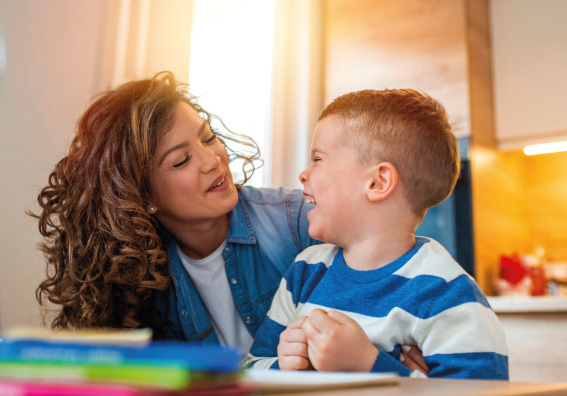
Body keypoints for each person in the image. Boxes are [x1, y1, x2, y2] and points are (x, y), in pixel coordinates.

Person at [30, 71, 318, 355]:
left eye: (208, 138)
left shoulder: (297, 222)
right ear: (142, 197)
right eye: (181, 161)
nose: (212, 160)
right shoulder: (141, 279)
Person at [246, 89, 509, 379]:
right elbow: (251, 369)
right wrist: (286, 366)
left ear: (377, 182)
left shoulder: (445, 292)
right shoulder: (305, 272)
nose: (304, 174)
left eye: (318, 159)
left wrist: (368, 364)